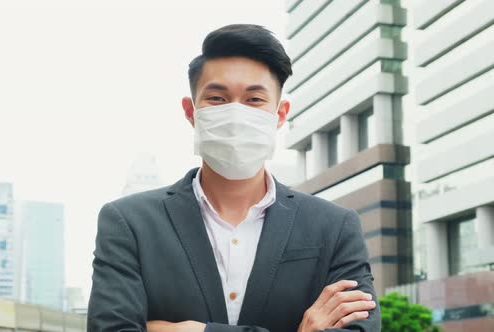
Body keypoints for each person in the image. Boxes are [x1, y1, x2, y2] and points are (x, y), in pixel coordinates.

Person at [87, 24, 380, 332]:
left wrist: (197, 331)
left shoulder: (334, 227)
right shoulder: (128, 222)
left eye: (254, 100)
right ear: (191, 111)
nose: (236, 114)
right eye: (217, 98)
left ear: (280, 114)